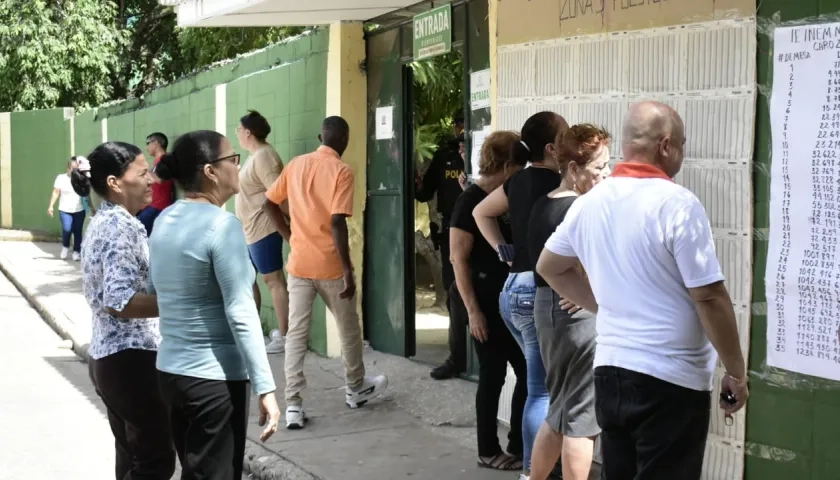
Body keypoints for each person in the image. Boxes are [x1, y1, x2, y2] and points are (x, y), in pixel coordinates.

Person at [536, 101, 749, 479]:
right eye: (682, 144)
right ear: (666, 146)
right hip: (670, 381)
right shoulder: (677, 204)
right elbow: (710, 297)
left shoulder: (590, 203)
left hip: (612, 375)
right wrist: (736, 371)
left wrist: (603, 305)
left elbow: (549, 266)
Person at [149, 130, 281, 479]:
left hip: (172, 375)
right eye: (232, 159)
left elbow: (156, 290)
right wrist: (265, 385)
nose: (238, 166)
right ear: (211, 171)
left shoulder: (164, 220)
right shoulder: (223, 227)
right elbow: (241, 312)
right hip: (213, 381)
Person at [263, 116, 388, 429]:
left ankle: (292, 405)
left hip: (299, 264)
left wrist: (289, 236)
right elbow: (336, 222)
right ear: (344, 140)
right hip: (330, 266)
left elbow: (269, 203)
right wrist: (348, 268)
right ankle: (355, 387)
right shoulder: (341, 170)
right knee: (348, 329)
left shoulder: (295, 164)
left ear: (321, 135)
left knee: (296, 335)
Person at [472, 111, 569, 478]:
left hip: (511, 289)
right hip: (537, 289)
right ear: (550, 146)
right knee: (541, 390)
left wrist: (502, 248)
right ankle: (535, 470)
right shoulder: (559, 182)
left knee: (535, 385)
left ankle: (537, 464)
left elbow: (483, 213)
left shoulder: (518, 181)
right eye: (564, 136)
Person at [71, 143, 175, 480]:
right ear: (116, 182)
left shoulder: (104, 221)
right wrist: (181, 301)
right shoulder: (122, 227)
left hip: (109, 360)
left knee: (132, 459)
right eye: (142, 173)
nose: (151, 180)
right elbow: (121, 301)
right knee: (155, 461)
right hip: (131, 362)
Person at [526, 125, 611, 480]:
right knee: (581, 420)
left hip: (546, 311)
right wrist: (587, 291)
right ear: (574, 169)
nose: (606, 175)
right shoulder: (581, 208)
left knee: (559, 410)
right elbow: (594, 265)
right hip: (576, 318)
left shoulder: (543, 204)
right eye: (599, 167)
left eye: (608, 165)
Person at [450, 130, 527, 472]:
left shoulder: (504, 197)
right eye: (519, 165)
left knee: (527, 372)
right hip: (481, 299)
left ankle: (517, 444)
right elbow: (458, 259)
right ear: (508, 165)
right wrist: (473, 313)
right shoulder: (471, 201)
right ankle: (487, 449)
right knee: (493, 375)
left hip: (506, 300)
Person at [416, 114, 467, 380]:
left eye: (464, 126)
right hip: (451, 228)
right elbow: (425, 193)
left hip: (483, 229)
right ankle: (457, 357)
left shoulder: (482, 154)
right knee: (454, 291)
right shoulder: (444, 155)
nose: (460, 131)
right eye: (458, 126)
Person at [235, 110, 288, 354]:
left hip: (264, 228)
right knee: (248, 280)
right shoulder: (253, 156)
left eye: (239, 129)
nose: (237, 133)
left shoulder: (264, 156)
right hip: (249, 229)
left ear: (248, 132)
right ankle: (253, 332)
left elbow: (279, 193)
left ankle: (285, 336)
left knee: (273, 280)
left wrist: (291, 225)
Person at [48, 158, 87, 261]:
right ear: (68, 168)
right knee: (67, 229)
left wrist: (91, 207)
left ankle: (76, 252)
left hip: (79, 210)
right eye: (73, 168)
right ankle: (65, 247)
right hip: (65, 210)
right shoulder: (61, 178)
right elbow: (56, 192)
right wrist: (51, 206)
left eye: (76, 169)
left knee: (78, 231)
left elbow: (85, 194)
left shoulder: (81, 178)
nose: (75, 171)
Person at [137, 132, 175, 236]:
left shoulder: (165, 160)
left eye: (148, 143)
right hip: (153, 206)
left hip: (159, 207)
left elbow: (160, 179)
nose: (146, 147)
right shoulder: (157, 162)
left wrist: (143, 171)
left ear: (156, 144)